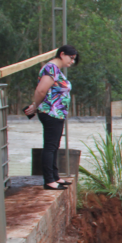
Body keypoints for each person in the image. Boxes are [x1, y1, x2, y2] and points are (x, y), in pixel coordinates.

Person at [23, 45, 79, 190]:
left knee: (54, 146)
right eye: (71, 58)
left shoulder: (56, 70)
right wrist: (35, 106)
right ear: (62, 54)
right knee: (50, 147)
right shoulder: (51, 69)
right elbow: (41, 90)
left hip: (57, 114)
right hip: (51, 113)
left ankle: (55, 177)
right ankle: (49, 180)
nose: (72, 62)